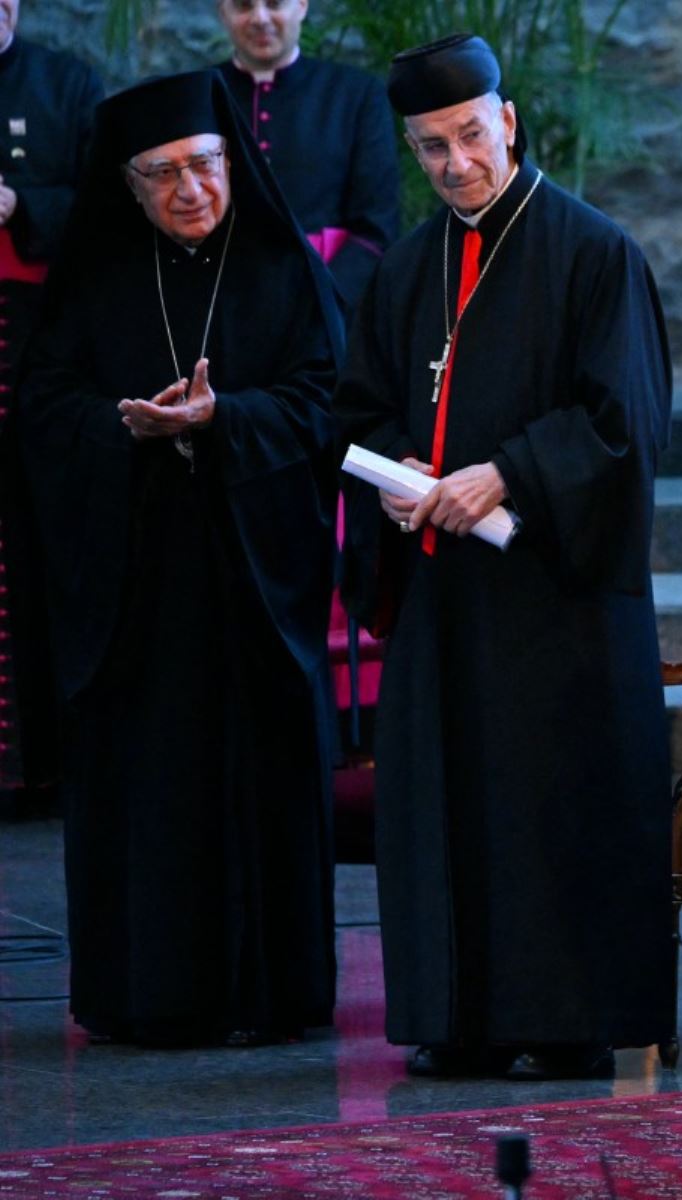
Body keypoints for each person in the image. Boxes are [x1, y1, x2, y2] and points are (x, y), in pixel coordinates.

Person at [335, 34, 674, 1082]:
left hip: (554, 598)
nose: (454, 164)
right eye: (431, 148)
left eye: (470, 137)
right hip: (446, 593)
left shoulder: (592, 252)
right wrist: (396, 479)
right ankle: (458, 1016)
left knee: (549, 806)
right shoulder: (405, 268)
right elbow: (364, 407)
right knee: (450, 805)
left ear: (509, 122)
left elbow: (627, 422)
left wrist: (509, 473)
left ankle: (564, 1020)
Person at [18, 69, 342, 1045]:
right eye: (160, 174)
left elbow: (330, 402)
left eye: (203, 165)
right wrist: (123, 430)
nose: (188, 190)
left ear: (233, 162)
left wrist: (224, 419)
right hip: (136, 592)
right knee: (147, 793)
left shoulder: (285, 273)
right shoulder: (96, 281)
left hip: (253, 586)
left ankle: (271, 997)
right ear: (127, 186)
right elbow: (40, 409)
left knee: (255, 784)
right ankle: (141, 997)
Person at [0, 0, 104, 815]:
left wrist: (17, 206)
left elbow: (105, 208)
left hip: (34, 355)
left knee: (45, 549)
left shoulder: (67, 83)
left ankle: (48, 767)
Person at [214, 0, 400, 306]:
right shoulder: (198, 95)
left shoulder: (356, 95)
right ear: (223, 12)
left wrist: (320, 301)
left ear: (301, 5)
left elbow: (375, 230)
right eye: (243, 6)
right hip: (222, 305)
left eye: (274, 4)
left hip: (329, 306)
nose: (260, 18)